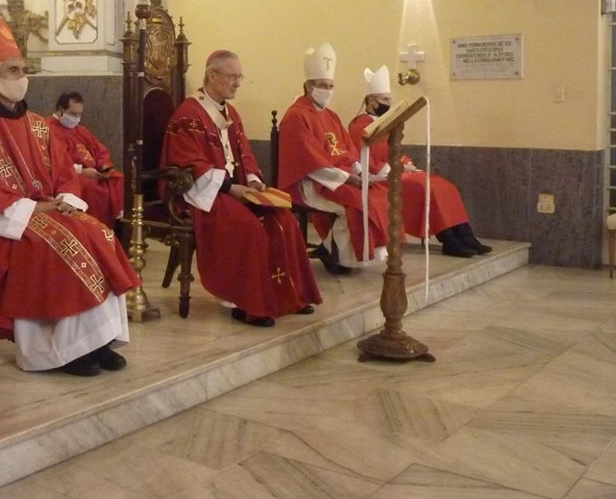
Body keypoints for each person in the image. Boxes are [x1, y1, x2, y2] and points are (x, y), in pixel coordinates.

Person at [0, 16, 139, 377]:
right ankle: (62, 350)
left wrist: (67, 199)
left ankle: (99, 340)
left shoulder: (36, 124)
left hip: (49, 209)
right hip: (6, 224)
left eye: (24, 69)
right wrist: (38, 208)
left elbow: (64, 171)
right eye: (13, 70)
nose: (22, 77)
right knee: (58, 247)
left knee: (100, 234)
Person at [160, 50, 322, 326]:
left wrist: (254, 179)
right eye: (232, 76)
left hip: (235, 188)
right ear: (212, 75)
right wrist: (229, 187)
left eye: (239, 77)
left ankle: (288, 296)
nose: (237, 83)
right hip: (203, 193)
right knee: (248, 226)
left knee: (284, 220)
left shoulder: (230, 112)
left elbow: (244, 153)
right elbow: (188, 163)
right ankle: (244, 302)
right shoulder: (189, 114)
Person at [348, 65, 491, 256]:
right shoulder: (360, 126)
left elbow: (394, 149)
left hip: (398, 171)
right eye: (384, 100)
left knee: (444, 186)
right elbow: (364, 157)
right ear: (371, 102)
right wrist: (397, 168)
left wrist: (406, 163)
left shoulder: (384, 122)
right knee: (425, 188)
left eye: (389, 99)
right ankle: (449, 240)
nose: (388, 104)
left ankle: (466, 236)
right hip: (380, 178)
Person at [278, 43, 390, 273]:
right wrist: (349, 179)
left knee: (377, 195)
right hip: (311, 181)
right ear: (309, 87)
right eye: (322, 85)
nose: (327, 90)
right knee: (358, 202)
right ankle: (335, 254)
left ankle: (333, 251)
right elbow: (309, 161)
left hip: (338, 178)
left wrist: (360, 172)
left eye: (330, 86)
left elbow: (348, 151)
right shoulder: (296, 116)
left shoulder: (331, 116)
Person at [45, 91, 125, 228]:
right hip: (70, 174)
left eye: (79, 115)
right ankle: (95, 228)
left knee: (118, 179)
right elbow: (54, 161)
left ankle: (119, 227)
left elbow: (100, 150)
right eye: (73, 114)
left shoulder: (80, 130)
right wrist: (81, 171)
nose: (76, 118)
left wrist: (104, 167)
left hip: (94, 172)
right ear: (61, 110)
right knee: (91, 188)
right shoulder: (47, 129)